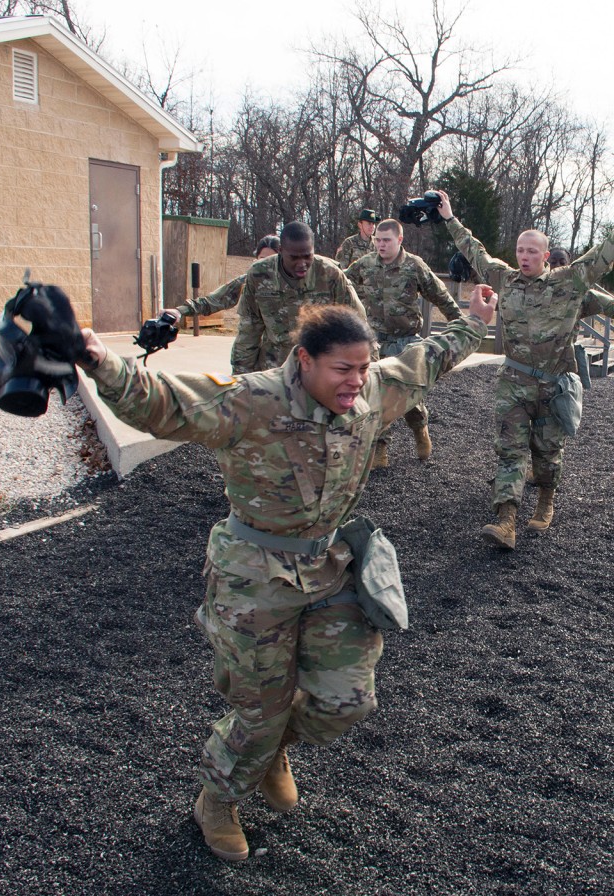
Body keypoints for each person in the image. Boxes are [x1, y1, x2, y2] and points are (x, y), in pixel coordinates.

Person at [79, 287, 497, 862]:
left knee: (346, 701)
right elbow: (164, 402)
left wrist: (474, 320)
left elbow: (429, 358)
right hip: (254, 578)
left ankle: (274, 748)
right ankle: (218, 799)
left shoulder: (372, 391)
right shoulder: (254, 401)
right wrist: (99, 360)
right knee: (260, 710)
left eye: (364, 366)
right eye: (342, 369)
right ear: (304, 359)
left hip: (328, 567)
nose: (356, 380)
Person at [436, 189, 614, 549]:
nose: (524, 256)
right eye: (520, 250)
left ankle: (546, 500)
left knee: (547, 454)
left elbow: (604, 255)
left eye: (532, 251)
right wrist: (449, 218)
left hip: (553, 386)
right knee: (510, 451)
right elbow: (474, 250)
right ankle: (505, 522)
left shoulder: (570, 282)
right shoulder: (504, 279)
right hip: (514, 382)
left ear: (546, 256)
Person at [346, 218, 463, 466]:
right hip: (374, 342)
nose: (381, 245)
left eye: (386, 240)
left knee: (409, 396)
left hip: (405, 342)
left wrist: (461, 325)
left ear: (399, 240)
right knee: (374, 394)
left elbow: (440, 295)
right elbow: (341, 285)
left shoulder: (413, 266)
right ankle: (380, 449)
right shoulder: (365, 265)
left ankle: (420, 429)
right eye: (377, 239)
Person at [230, 221, 367, 374]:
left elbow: (358, 325)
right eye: (294, 258)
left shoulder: (331, 275)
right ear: (281, 251)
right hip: (275, 371)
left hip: (320, 371)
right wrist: (241, 378)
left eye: (307, 256)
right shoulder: (259, 275)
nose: (302, 264)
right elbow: (249, 330)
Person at [168, 235, 281, 320]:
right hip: (252, 347)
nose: (266, 265)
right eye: (262, 259)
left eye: (272, 259)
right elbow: (213, 301)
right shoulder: (246, 281)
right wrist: (179, 311)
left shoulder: (294, 284)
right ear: (255, 259)